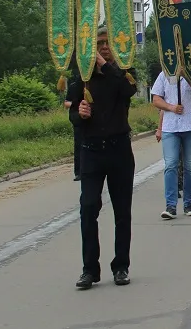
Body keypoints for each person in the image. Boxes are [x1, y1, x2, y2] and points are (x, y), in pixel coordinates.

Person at [68, 27, 137, 289]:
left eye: (108, 43)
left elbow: (127, 91)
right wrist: (80, 113)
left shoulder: (123, 73)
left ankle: (121, 266)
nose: (104, 47)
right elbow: (72, 113)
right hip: (91, 151)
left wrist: (104, 64)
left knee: (122, 211)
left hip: (119, 149)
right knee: (88, 207)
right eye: (99, 43)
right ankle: (89, 269)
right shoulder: (81, 78)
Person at [151, 69, 191, 219]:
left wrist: (186, 75)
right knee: (171, 164)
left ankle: (188, 203)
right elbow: (156, 99)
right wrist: (171, 107)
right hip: (171, 127)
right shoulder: (164, 74)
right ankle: (170, 205)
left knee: (189, 166)